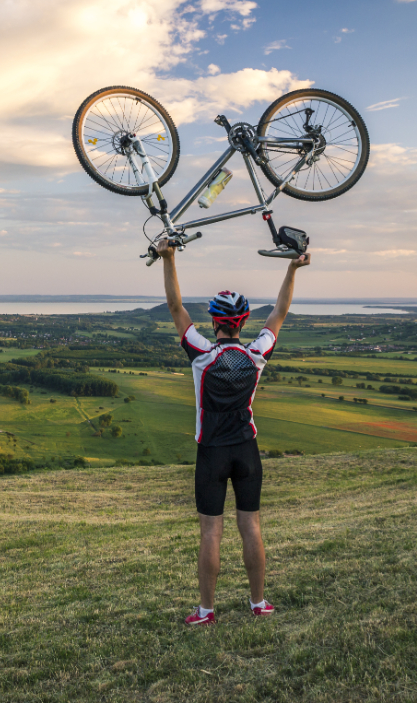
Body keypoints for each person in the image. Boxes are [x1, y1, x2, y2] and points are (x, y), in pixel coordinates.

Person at [153, 235, 311, 625]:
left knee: (211, 532)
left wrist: (169, 258)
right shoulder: (256, 355)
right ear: (243, 322)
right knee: (251, 526)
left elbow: (175, 307)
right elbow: (280, 311)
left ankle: (206, 611)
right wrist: (292, 268)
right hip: (246, 451)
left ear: (214, 322)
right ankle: (258, 603)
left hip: (211, 451)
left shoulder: (202, 355)